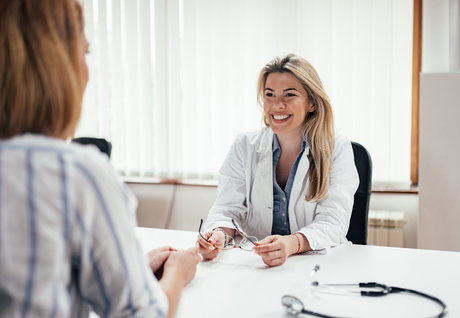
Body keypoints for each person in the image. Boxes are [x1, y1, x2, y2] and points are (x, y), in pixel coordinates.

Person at [0, 1, 200, 317]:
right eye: (85, 53)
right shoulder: (74, 173)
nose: (87, 73)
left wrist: (127, 270)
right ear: (55, 67)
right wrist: (178, 272)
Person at [198, 54, 359, 267]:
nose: (277, 105)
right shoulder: (244, 145)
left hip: (315, 266)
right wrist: (219, 235)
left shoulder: (336, 147)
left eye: (289, 95)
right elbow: (226, 209)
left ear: (312, 102)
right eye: (269, 95)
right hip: (256, 265)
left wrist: (294, 243)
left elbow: (333, 222)